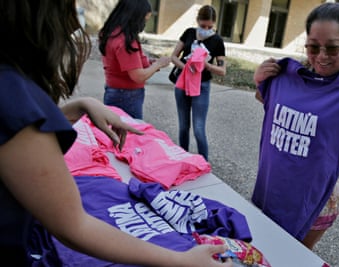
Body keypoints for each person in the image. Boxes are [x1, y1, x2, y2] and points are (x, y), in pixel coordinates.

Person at [0, 1, 231, 266]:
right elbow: (75, 226)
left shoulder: (11, 93)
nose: (74, 23)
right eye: (67, 9)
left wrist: (81, 105)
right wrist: (181, 261)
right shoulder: (13, 97)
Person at [251, 2, 339, 250]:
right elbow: (273, 105)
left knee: (294, 255)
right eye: (313, 47)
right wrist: (260, 82)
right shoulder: (292, 74)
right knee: (260, 244)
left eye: (332, 48)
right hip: (277, 184)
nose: (321, 56)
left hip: (320, 197)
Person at [171, 5, 226, 161]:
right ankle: (183, 158)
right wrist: (187, 67)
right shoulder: (188, 33)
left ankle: (204, 163)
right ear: (197, 21)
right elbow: (173, 57)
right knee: (183, 127)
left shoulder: (217, 41)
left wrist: (205, 65)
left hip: (202, 85)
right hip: (183, 84)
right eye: (203, 26)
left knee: (198, 129)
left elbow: (222, 70)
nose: (206, 29)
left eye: (210, 26)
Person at [98, 0, 171, 120]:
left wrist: (146, 63)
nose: (143, 25)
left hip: (113, 90)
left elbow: (123, 62)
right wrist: (158, 64)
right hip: (127, 96)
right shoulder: (125, 40)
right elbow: (138, 76)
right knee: (130, 134)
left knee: (114, 132)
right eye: (144, 20)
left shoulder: (110, 33)